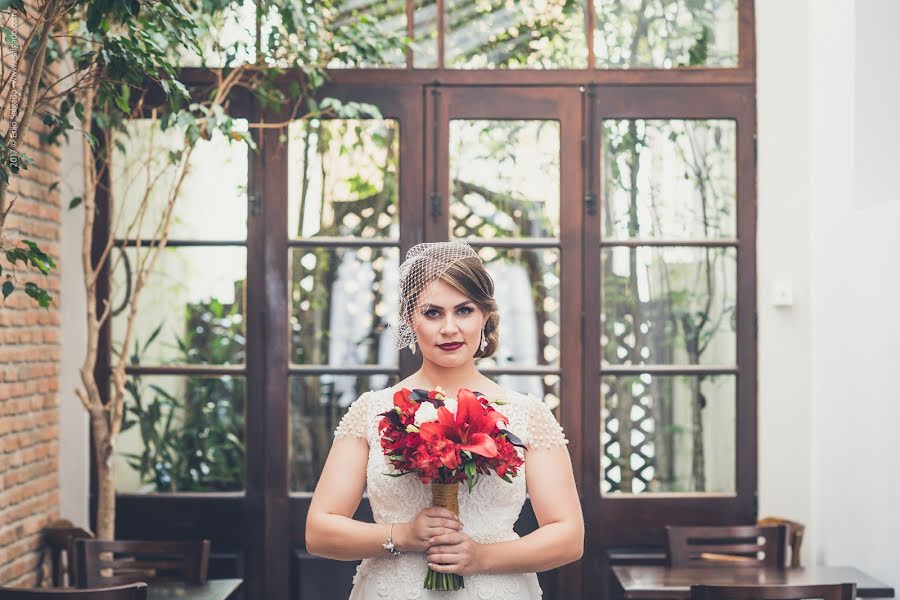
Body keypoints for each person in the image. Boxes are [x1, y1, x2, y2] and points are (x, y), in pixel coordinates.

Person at [306, 241, 583, 599]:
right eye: (432, 313)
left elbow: (569, 536)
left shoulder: (527, 414)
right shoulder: (370, 411)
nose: (449, 328)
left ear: (485, 315)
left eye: (464, 310)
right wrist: (402, 535)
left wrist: (481, 557)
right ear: (410, 319)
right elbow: (318, 532)